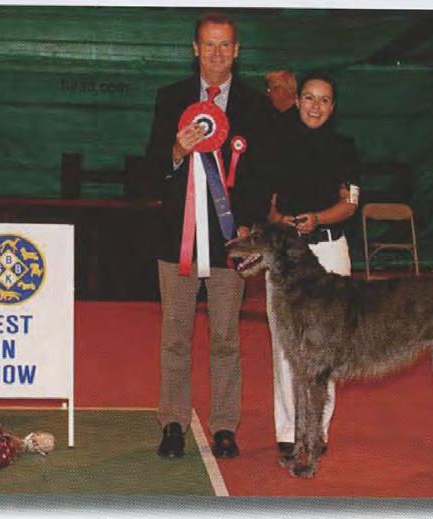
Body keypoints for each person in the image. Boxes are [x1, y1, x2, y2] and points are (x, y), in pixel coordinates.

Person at [144, 12, 269, 459]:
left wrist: (250, 224)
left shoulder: (255, 105)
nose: (217, 54)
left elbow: (261, 173)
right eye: (209, 45)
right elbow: (150, 168)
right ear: (195, 49)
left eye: (225, 46)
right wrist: (177, 150)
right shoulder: (170, 98)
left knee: (226, 337)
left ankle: (224, 426)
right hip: (176, 238)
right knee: (175, 336)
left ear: (237, 51)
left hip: (230, 240)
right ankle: (173, 422)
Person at [266, 71, 361, 456]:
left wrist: (318, 219)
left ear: (332, 107)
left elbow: (350, 203)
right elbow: (268, 203)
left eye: (324, 100)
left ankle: (317, 430)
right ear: (298, 100)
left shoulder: (345, 147)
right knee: (286, 346)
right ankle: (289, 431)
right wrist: (280, 221)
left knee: (326, 349)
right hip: (286, 256)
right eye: (309, 98)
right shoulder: (278, 142)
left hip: (329, 251)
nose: (315, 106)